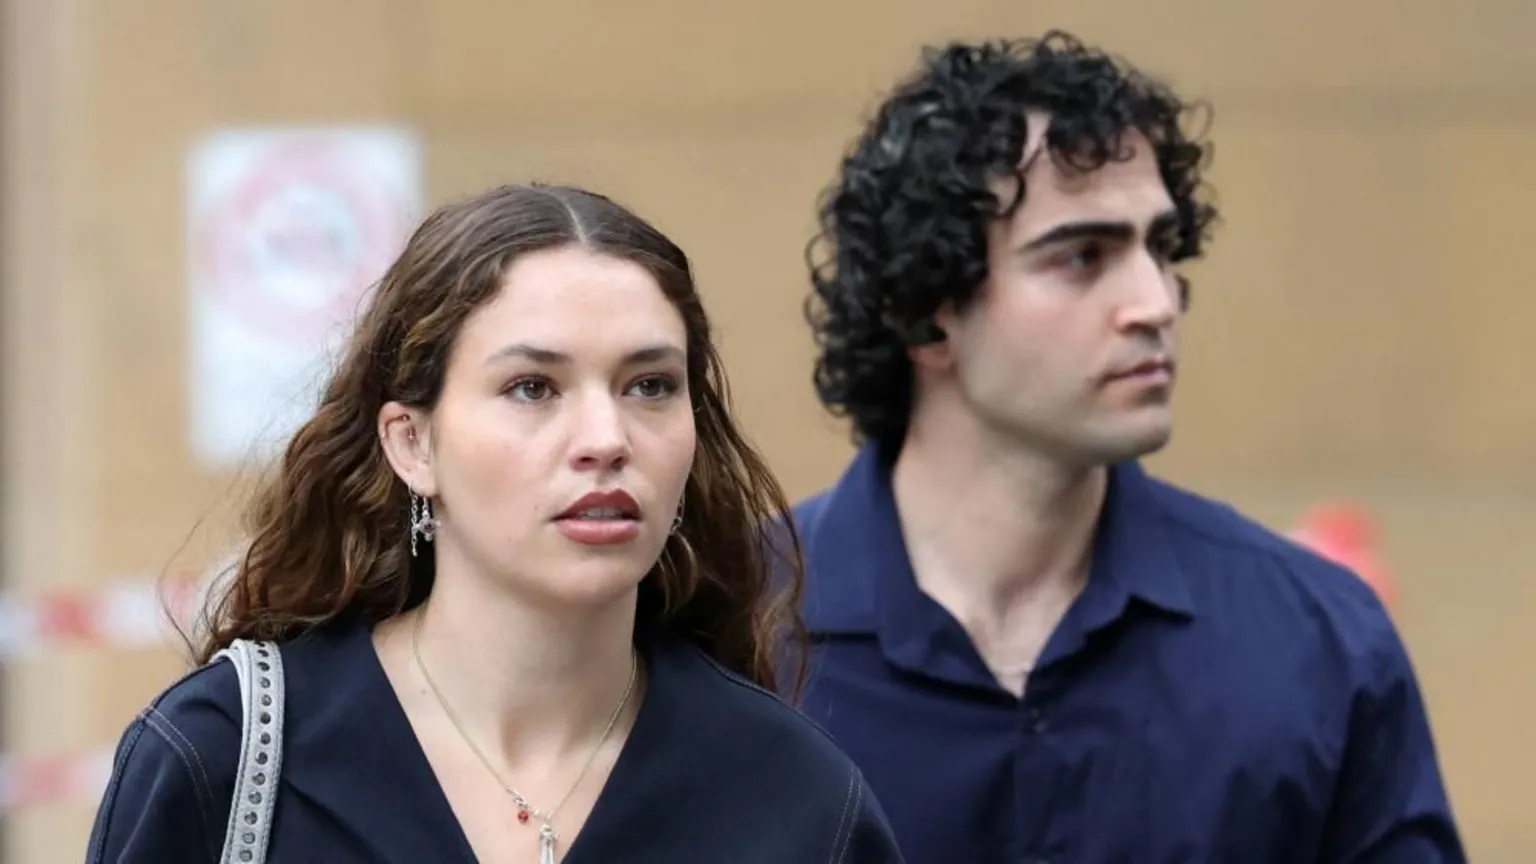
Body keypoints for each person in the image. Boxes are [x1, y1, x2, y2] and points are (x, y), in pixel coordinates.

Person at [791, 32, 1466, 864]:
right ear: (928, 312)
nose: (1155, 302)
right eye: (1082, 256)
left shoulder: (1318, 642)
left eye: (1161, 248)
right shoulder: (730, 637)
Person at [87, 183, 905, 864]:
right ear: (413, 444)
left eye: (650, 385)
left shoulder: (794, 798)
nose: (606, 440)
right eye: (533, 388)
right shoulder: (225, 760)